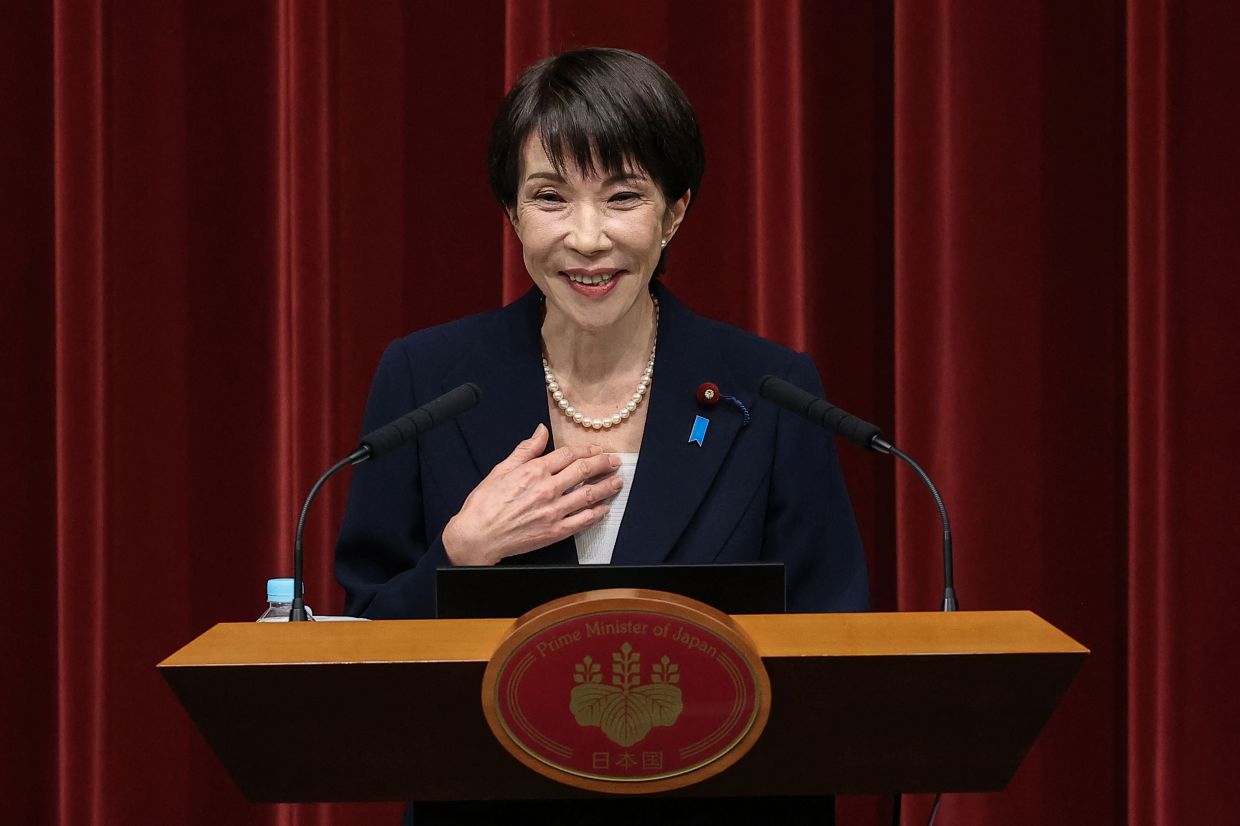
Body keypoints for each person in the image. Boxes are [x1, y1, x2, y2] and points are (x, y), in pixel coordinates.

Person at [335, 47, 867, 824]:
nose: (586, 238)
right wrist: (461, 553)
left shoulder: (768, 389)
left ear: (674, 212)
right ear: (513, 213)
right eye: (551, 197)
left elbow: (831, 646)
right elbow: (359, 650)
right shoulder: (426, 379)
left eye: (622, 197)